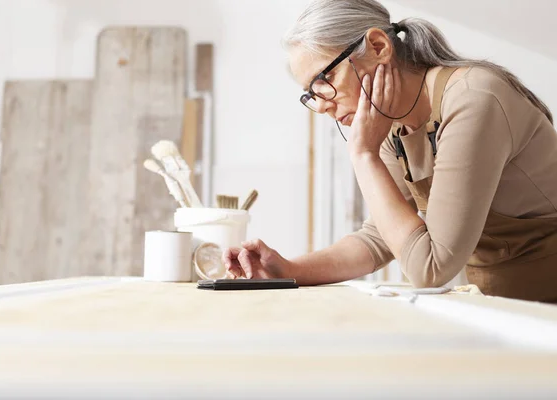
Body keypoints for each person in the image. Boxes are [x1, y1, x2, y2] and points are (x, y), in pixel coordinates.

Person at [223, 0, 557, 302]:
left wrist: (363, 155)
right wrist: (287, 269)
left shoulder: (474, 99)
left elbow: (430, 268)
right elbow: (378, 238)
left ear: (379, 47)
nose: (321, 105)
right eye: (311, 93)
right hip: (508, 307)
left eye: (324, 78)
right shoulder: (390, 125)